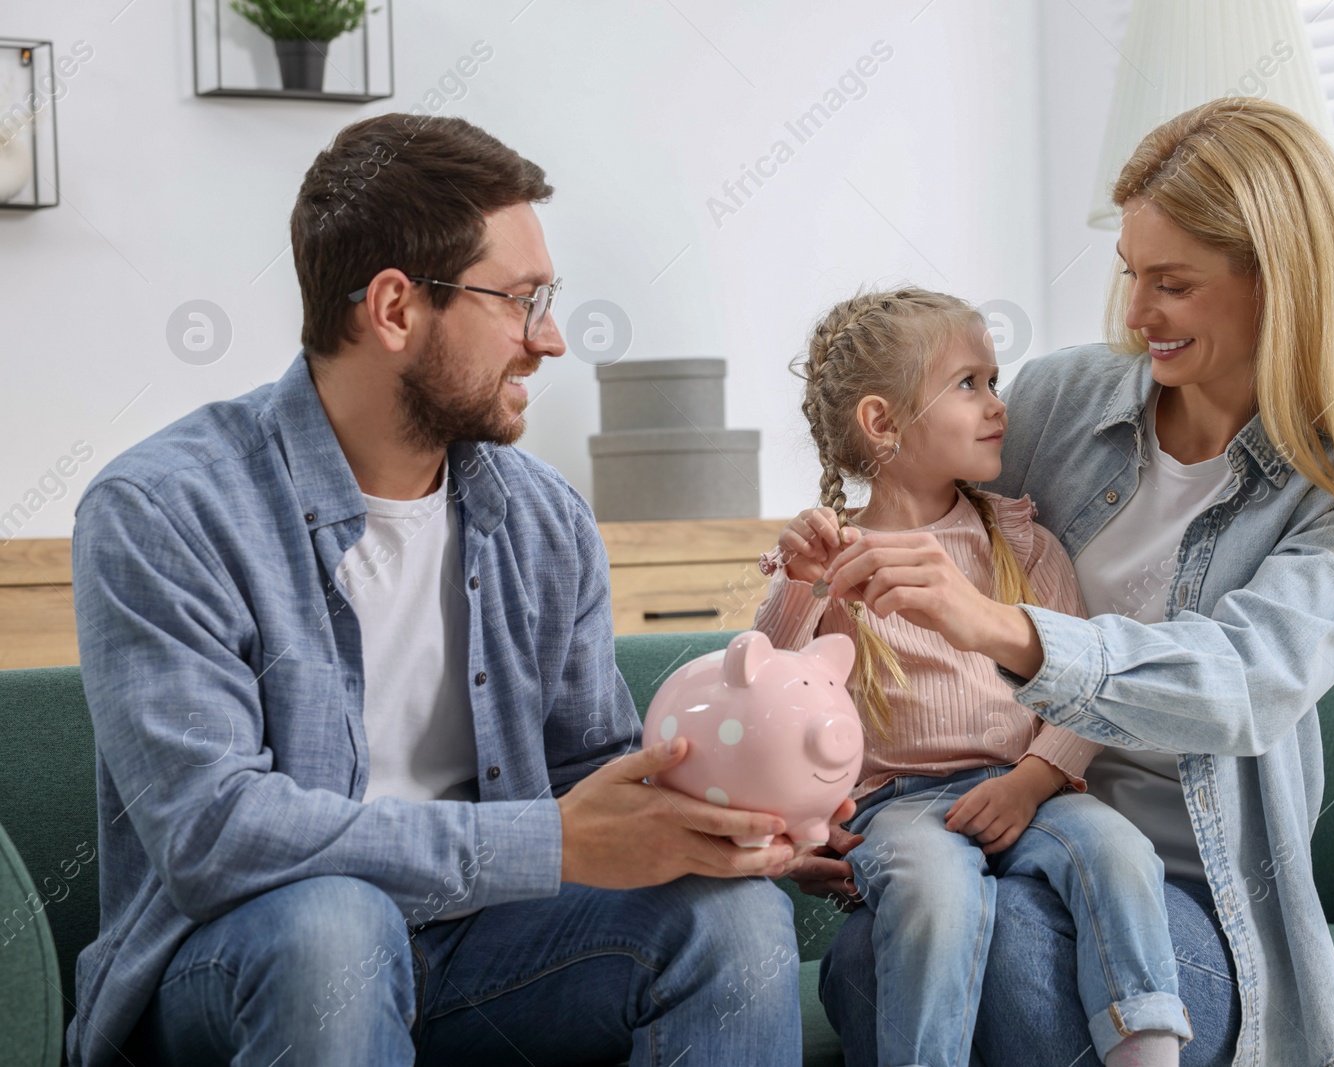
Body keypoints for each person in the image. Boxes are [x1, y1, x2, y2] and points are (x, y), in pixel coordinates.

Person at [66, 114, 813, 1067]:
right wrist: (546, 846)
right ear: (393, 310)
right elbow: (216, 834)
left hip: (485, 949)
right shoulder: (164, 510)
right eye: (523, 300)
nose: (548, 341)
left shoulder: (546, 519)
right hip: (242, 960)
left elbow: (593, 777)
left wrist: (728, 819)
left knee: (731, 917)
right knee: (337, 924)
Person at [794, 97, 1334, 1067]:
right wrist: (815, 791)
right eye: (1131, 274)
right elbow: (913, 532)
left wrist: (1008, 632)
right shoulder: (1061, 399)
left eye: (1172, 284)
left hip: (1180, 891)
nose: (1137, 314)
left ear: (1282, 284)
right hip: (968, 830)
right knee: (910, 934)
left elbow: (1246, 683)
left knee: (990, 956)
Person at [755, 288, 1194, 1067]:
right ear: (882, 422)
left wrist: (1030, 781)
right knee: (935, 897)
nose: (998, 405)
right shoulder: (835, 561)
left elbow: (1084, 686)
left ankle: (1147, 1046)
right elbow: (773, 694)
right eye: (969, 384)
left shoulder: (1021, 542)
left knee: (1120, 850)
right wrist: (801, 584)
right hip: (902, 806)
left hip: (1027, 785)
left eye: (994, 381)